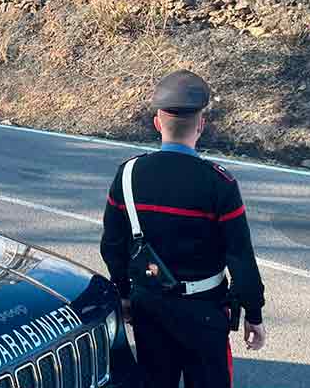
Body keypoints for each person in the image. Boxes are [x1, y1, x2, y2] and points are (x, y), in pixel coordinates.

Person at [100, 70, 266, 388]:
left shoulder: (127, 175)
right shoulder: (220, 183)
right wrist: (254, 314)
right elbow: (241, 258)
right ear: (201, 125)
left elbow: (112, 246)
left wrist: (123, 294)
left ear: (157, 123)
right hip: (204, 312)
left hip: (148, 306)